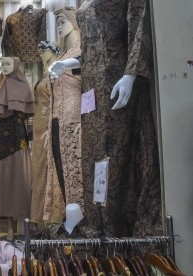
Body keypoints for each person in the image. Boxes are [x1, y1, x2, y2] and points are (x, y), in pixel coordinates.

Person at [48, 0, 161, 237]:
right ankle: (100, 227)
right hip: (91, 94)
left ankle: (117, 232)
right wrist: (67, 63)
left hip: (115, 84)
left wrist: (130, 74)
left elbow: (139, 30)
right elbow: (90, 51)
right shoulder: (86, 3)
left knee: (116, 158)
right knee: (94, 159)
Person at [0, 57, 34, 240]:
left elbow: (31, 114)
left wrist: (33, 132)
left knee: (19, 182)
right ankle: (9, 230)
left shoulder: (24, 86)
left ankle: (20, 230)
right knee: (1, 182)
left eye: (8, 64)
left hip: (18, 140)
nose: (4, 67)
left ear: (16, 65)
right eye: (2, 64)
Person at [43, 7, 84, 224]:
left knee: (74, 169)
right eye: (57, 23)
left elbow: (83, 68)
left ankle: (80, 218)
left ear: (73, 21)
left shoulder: (80, 51)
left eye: (62, 22)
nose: (58, 28)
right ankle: (69, 216)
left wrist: (65, 64)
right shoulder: (61, 55)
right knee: (60, 169)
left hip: (74, 118)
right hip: (56, 119)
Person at [30, 41, 60, 225]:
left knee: (51, 169)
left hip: (49, 125)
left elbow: (57, 101)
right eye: (39, 51)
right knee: (40, 169)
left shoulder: (56, 73)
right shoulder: (45, 75)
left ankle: (51, 217)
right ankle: (40, 217)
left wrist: (50, 126)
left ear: (54, 51)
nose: (41, 54)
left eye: (45, 50)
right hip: (39, 127)